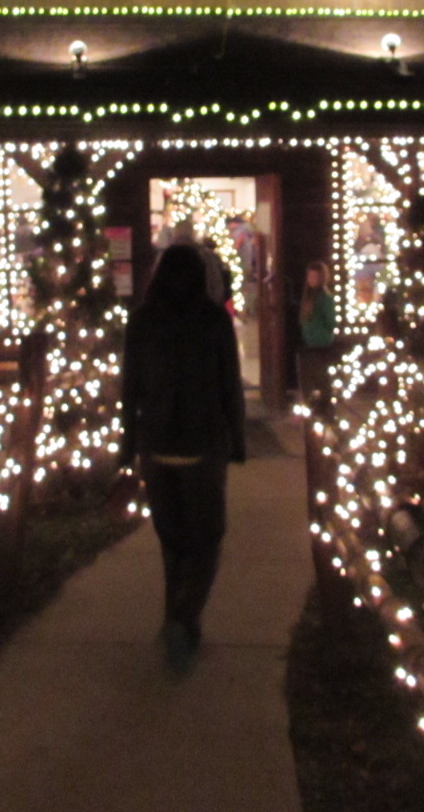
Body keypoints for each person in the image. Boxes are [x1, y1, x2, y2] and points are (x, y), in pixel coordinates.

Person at [120, 243, 247, 670]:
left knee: (172, 541)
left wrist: (128, 443)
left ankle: (178, 621)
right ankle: (182, 617)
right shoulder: (214, 321)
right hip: (202, 444)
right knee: (207, 539)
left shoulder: (141, 322)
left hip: (156, 446)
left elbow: (129, 390)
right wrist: (238, 439)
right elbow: (231, 384)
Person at [297, 261, 337, 410]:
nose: (312, 280)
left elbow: (331, 320)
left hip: (320, 343)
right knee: (311, 376)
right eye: (310, 276)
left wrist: (323, 332)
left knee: (320, 376)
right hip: (310, 341)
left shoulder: (324, 297)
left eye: (315, 277)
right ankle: (314, 405)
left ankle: (324, 406)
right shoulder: (309, 296)